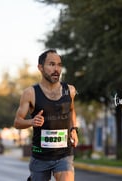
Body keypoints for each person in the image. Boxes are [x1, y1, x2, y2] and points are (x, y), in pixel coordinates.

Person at [14, 49, 79, 181]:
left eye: (59, 65)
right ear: (40, 67)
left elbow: (71, 110)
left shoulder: (70, 90)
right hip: (40, 156)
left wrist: (74, 129)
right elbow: (17, 122)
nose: (57, 69)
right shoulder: (30, 93)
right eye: (51, 64)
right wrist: (31, 122)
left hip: (64, 154)